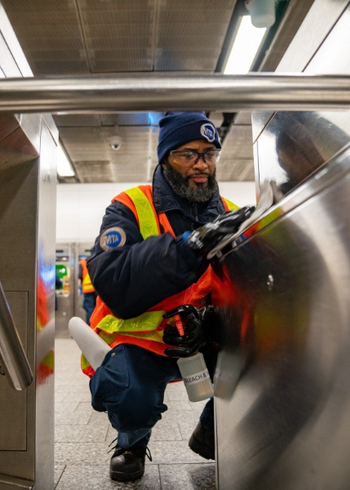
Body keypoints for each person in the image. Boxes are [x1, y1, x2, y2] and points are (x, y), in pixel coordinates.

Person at [83, 111, 255, 482]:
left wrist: (209, 322)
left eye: (209, 154)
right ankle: (131, 441)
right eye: (188, 154)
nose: (202, 165)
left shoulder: (228, 214)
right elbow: (115, 282)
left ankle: (212, 433)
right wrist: (187, 248)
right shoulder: (129, 205)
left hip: (201, 335)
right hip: (142, 339)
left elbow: (243, 291)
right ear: (165, 158)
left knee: (266, 350)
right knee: (130, 391)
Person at [78, 257, 97, 323]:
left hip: (87, 289)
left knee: (89, 309)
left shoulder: (82, 263)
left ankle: (90, 327)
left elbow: (79, 275)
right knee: (96, 309)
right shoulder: (95, 260)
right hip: (96, 289)